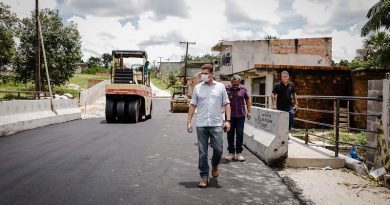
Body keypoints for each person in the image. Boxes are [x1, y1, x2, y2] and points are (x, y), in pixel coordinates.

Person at [187, 64, 231, 188]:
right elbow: (192, 104)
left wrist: (228, 120)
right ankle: (204, 177)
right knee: (202, 152)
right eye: (202, 73)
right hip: (201, 124)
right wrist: (189, 121)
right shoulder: (197, 88)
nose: (203, 75)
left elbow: (227, 103)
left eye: (206, 73)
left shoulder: (220, 87)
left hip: (216, 123)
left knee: (218, 149)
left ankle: (215, 165)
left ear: (212, 74)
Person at [225, 75, 251, 161]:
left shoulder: (243, 88)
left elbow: (247, 99)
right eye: (234, 84)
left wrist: (249, 111)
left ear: (240, 82)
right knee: (230, 134)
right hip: (230, 115)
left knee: (239, 133)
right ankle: (231, 153)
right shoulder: (227, 88)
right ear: (231, 82)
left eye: (237, 84)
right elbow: (223, 100)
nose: (236, 86)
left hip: (241, 115)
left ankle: (239, 153)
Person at [271, 71, 298, 135]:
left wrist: (296, 104)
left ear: (288, 77)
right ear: (281, 77)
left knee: (291, 120)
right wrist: (273, 105)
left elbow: (294, 94)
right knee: (281, 122)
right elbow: (273, 94)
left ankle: (286, 133)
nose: (285, 78)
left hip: (289, 106)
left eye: (286, 77)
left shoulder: (292, 85)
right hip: (280, 107)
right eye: (284, 77)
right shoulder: (277, 85)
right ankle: (282, 134)